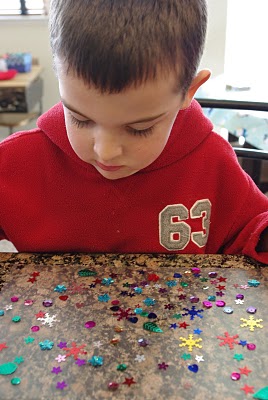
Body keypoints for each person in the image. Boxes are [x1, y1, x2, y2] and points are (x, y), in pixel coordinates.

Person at [0, 0, 268, 263]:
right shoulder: (16, 162)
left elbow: (253, 229)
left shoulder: (213, 162)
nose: (105, 151)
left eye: (140, 128)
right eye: (79, 119)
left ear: (189, 92)